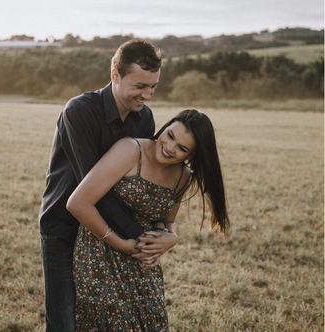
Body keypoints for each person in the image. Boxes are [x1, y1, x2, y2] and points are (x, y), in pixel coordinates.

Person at [38, 39, 179, 332]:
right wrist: (138, 238)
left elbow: (144, 183)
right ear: (115, 75)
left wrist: (164, 232)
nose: (148, 95)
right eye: (140, 86)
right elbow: (92, 186)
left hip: (112, 234)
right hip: (65, 228)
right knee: (64, 322)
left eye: (153, 86)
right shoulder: (79, 111)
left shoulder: (145, 118)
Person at [66, 109, 229, 330]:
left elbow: (165, 221)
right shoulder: (130, 150)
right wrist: (121, 245)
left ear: (192, 155)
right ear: (166, 127)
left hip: (144, 262)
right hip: (100, 253)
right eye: (170, 135)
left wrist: (170, 238)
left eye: (182, 148)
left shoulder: (183, 177)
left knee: (152, 324)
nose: (170, 148)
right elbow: (78, 203)